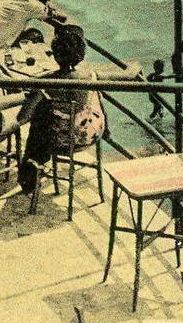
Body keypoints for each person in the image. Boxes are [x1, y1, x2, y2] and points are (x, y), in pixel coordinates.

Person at [17, 26, 140, 198]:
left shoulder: (47, 81)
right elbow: (127, 76)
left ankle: (29, 174)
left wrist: (29, 97)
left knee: (40, 116)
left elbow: (23, 117)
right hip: (90, 135)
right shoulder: (90, 76)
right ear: (80, 55)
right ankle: (108, 134)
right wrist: (136, 66)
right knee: (94, 97)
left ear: (55, 53)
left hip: (60, 142)